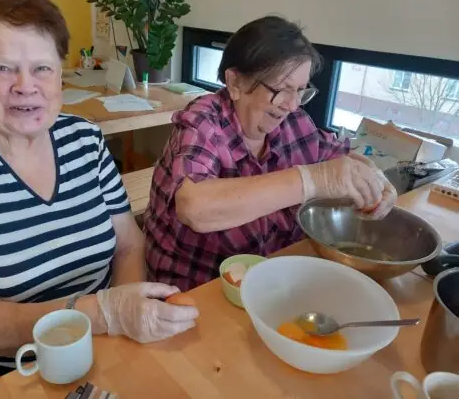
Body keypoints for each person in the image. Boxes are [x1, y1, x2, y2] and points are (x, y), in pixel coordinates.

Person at [0, 0, 198, 399]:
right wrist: (104, 314)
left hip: (94, 342)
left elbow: (128, 245)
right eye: (3, 68)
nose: (26, 86)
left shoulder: (85, 139)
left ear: (60, 74)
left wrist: (118, 320)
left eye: (42, 67)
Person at [143, 16, 397, 292]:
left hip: (270, 279)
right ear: (235, 82)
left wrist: (374, 179)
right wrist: (311, 179)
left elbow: (340, 157)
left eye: (300, 91)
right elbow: (194, 207)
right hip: (196, 289)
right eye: (282, 90)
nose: (292, 105)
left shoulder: (294, 122)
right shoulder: (203, 121)